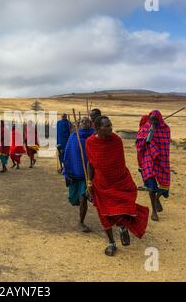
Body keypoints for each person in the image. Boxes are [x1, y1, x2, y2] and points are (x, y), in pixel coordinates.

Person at [86, 116, 149, 256]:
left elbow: (119, 163)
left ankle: (122, 227)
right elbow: (91, 163)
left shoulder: (116, 140)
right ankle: (111, 242)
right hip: (101, 184)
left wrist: (120, 179)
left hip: (120, 182)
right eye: (106, 126)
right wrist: (89, 182)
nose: (110, 128)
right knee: (104, 214)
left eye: (110, 125)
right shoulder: (90, 143)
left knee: (122, 208)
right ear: (97, 128)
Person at [136, 110, 171, 222]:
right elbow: (138, 143)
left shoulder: (165, 129)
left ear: (159, 120)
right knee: (151, 186)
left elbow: (165, 145)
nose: (153, 122)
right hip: (148, 159)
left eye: (155, 120)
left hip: (161, 160)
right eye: (151, 119)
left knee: (164, 186)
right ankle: (154, 211)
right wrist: (147, 138)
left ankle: (157, 199)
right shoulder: (145, 128)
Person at [62, 117, 94, 233]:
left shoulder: (93, 137)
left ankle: (81, 222)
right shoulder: (74, 137)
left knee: (83, 199)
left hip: (88, 175)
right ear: (79, 124)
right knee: (73, 199)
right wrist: (67, 171)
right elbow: (68, 154)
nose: (85, 123)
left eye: (87, 122)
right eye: (82, 121)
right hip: (74, 172)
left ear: (91, 124)